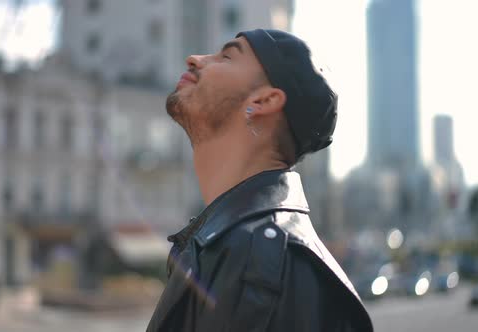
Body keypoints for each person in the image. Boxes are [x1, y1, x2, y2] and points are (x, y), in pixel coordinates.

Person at [146, 29, 373, 332]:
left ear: (264, 100)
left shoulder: (265, 263)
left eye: (226, 56)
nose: (195, 59)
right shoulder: (233, 247)